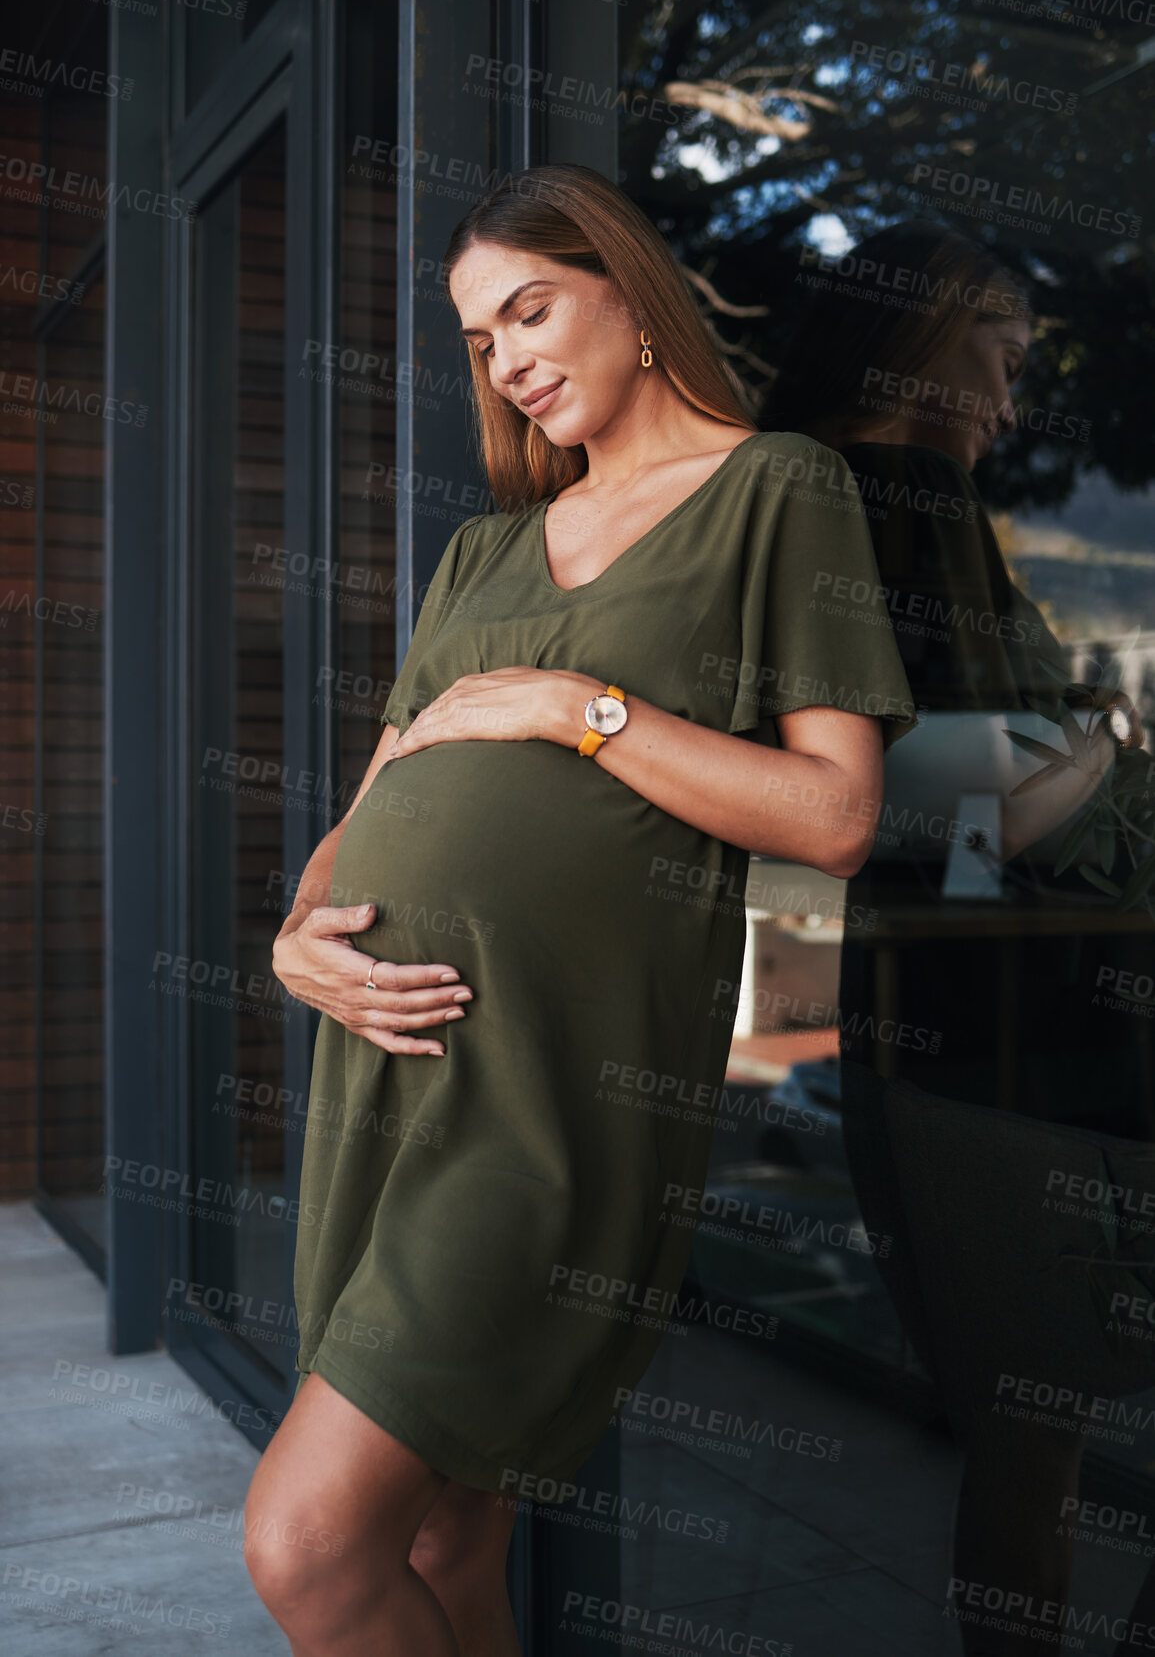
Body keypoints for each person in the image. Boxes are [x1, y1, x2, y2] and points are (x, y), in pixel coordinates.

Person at [242, 164, 917, 1657]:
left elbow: (837, 816)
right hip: (388, 1071)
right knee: (438, 1532)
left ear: (631, 291)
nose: (511, 358)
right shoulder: (482, 551)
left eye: (532, 308)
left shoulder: (777, 490)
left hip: (554, 1093)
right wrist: (298, 941)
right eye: (483, 340)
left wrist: (577, 706)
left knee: (304, 1542)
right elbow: (369, 810)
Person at [765, 221, 1155, 1656]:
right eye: (1002, 355)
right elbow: (1007, 772)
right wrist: (1095, 753)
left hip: (936, 1006)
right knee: (1035, 1436)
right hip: (1035, 1017)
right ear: (928, 335)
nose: (1011, 398)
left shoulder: (789, 495)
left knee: (1020, 1428)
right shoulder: (901, 492)